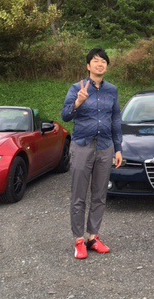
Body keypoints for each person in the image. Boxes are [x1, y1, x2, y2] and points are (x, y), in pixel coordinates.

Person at [62, 48, 123, 259]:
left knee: (99, 194)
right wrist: (78, 102)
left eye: (103, 61)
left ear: (107, 66)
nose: (100, 64)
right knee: (78, 195)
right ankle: (79, 240)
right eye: (96, 61)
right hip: (82, 146)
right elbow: (65, 115)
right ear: (88, 66)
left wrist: (118, 148)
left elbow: (115, 120)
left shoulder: (112, 90)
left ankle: (93, 237)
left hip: (105, 147)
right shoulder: (76, 88)